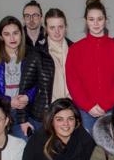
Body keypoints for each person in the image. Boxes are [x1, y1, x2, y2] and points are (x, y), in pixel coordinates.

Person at [66, 0, 114, 132]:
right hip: (85, 111)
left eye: (99, 19)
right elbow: (73, 82)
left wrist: (106, 104)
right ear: (86, 21)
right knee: (88, 150)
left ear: (105, 20)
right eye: (91, 19)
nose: (96, 23)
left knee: (110, 149)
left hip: (110, 109)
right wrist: (88, 106)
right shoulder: (75, 50)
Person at [0, 16, 37, 140]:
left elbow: (37, 83)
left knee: (25, 146)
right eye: (7, 34)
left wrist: (28, 96)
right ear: (1, 36)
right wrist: (9, 101)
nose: (12, 38)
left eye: (15, 33)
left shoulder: (31, 56)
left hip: (24, 113)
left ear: (22, 34)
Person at [18, 8, 73, 137]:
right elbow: (25, 88)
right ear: (46, 28)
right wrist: (23, 120)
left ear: (66, 27)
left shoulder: (75, 50)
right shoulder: (37, 53)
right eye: (52, 27)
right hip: (45, 115)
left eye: (60, 27)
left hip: (70, 112)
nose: (57, 31)